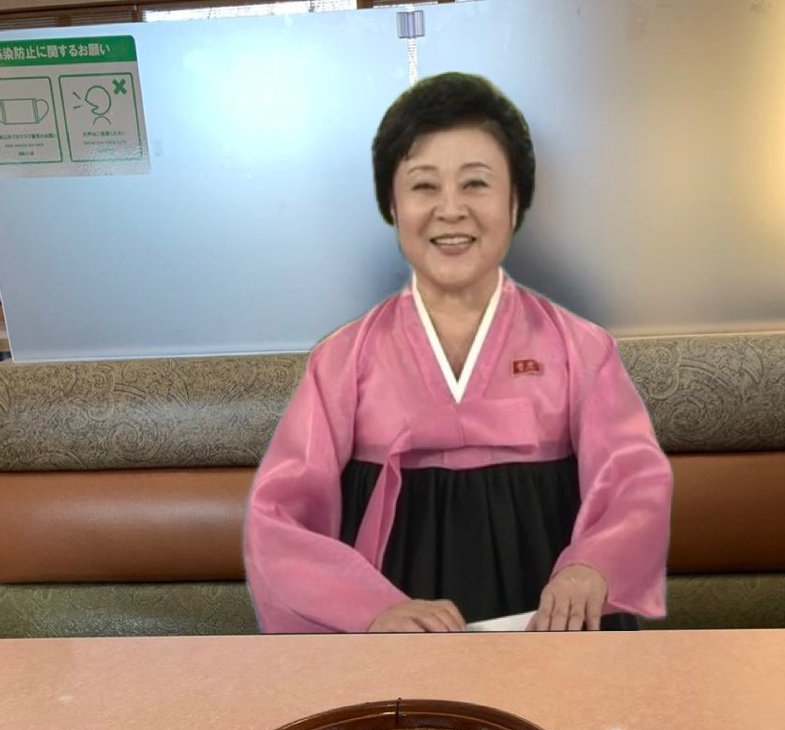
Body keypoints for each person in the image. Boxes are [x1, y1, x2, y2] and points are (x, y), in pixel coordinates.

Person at [245, 72, 672, 634]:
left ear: (515, 201)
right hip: (397, 637)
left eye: (475, 184)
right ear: (392, 205)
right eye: (424, 186)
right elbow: (279, 518)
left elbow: (634, 481)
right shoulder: (341, 362)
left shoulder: (581, 350)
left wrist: (593, 567)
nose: (450, 210)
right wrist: (370, 610)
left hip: (552, 631)